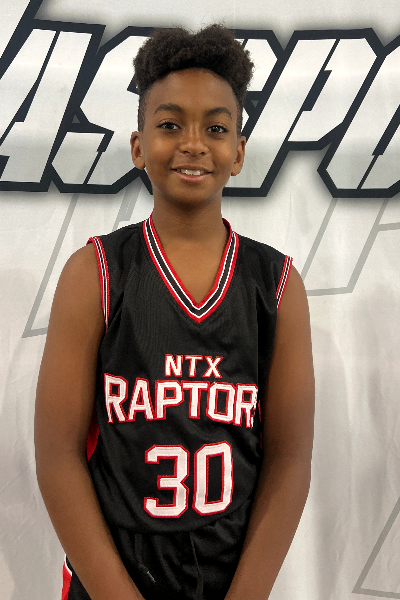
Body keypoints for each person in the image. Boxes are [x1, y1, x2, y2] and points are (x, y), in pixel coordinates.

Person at [35, 24, 314, 600]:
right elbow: (57, 454)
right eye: (169, 125)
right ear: (138, 146)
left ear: (239, 153)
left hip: (230, 577)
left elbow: (290, 459)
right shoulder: (96, 273)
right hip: (113, 576)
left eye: (216, 127)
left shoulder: (277, 284)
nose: (193, 144)